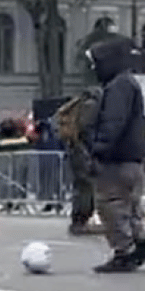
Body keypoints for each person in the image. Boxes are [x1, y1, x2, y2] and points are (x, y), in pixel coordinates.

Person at [88, 35, 145, 273]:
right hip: (131, 158)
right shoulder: (129, 83)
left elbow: (113, 122)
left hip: (117, 159)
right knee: (130, 205)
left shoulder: (118, 86)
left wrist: (98, 149)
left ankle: (124, 250)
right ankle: (140, 242)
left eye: (96, 63)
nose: (94, 69)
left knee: (111, 204)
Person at [53, 85, 102, 235]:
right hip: (83, 150)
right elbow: (88, 130)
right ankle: (81, 219)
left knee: (81, 185)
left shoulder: (78, 105)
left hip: (75, 149)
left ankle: (79, 219)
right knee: (86, 186)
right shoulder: (91, 107)